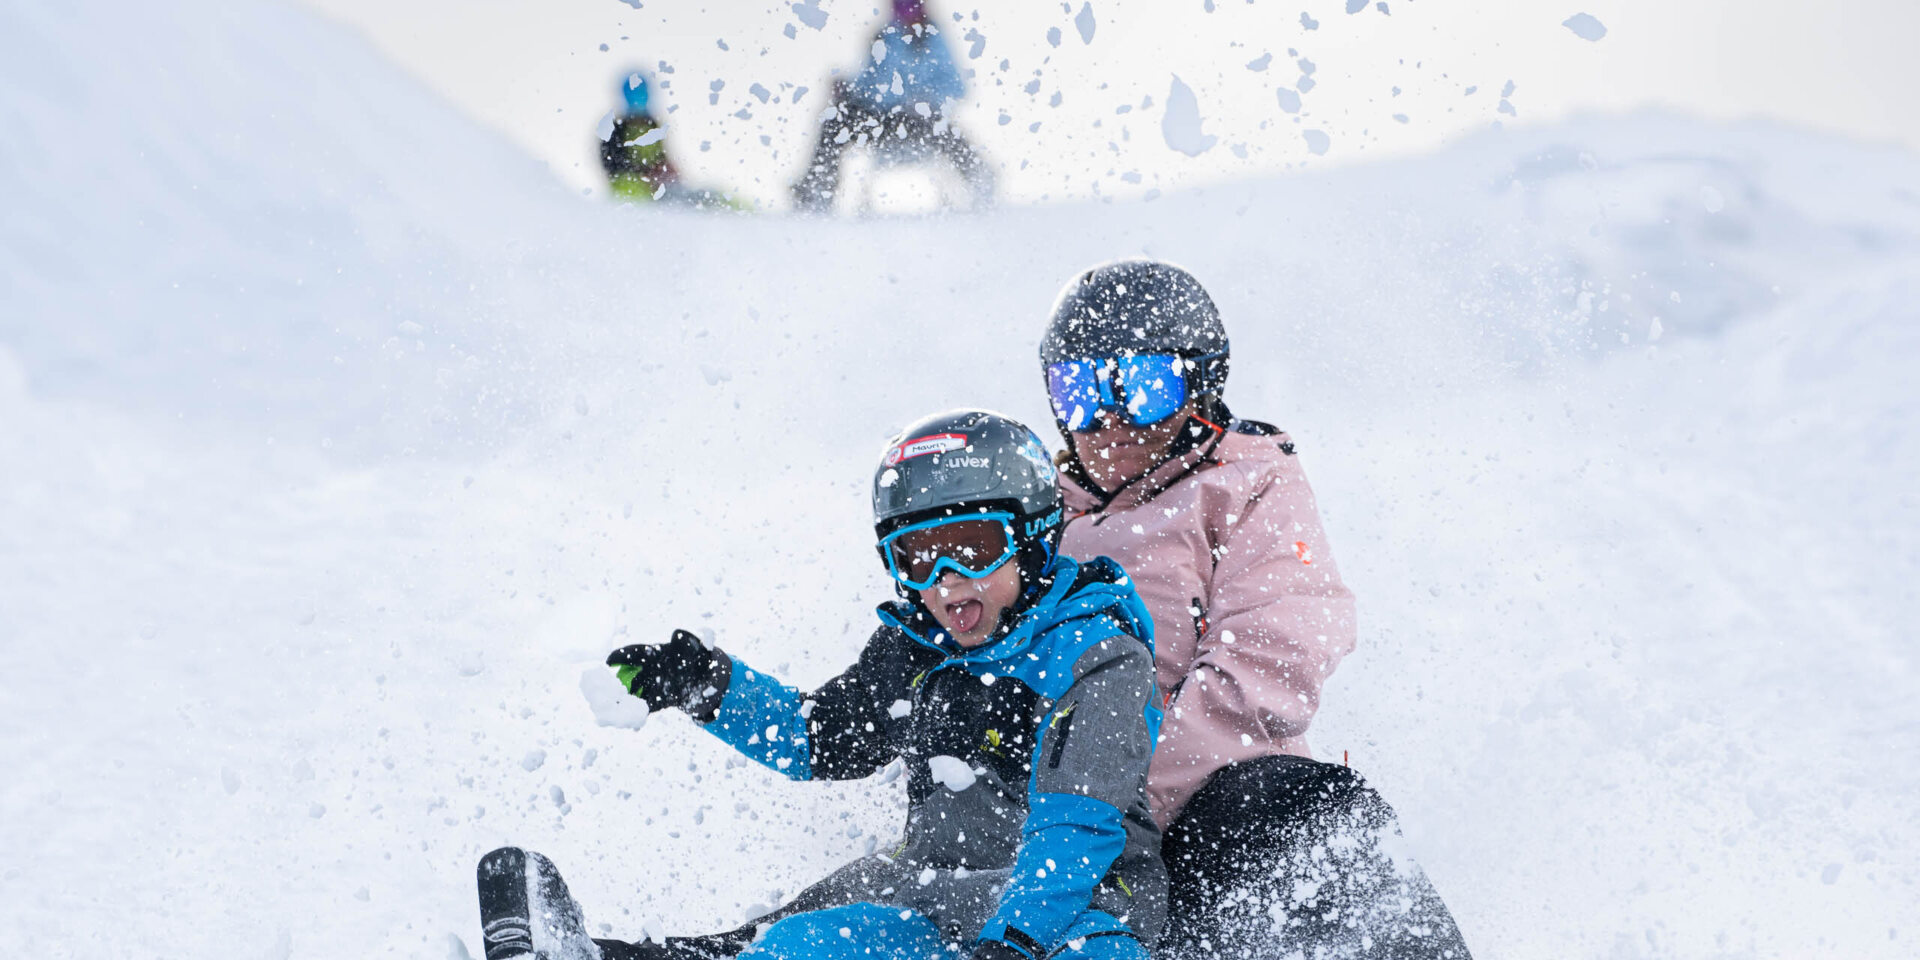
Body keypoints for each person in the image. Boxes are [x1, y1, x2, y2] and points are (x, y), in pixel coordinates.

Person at [476, 410, 1167, 960]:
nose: (945, 580)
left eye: (973, 547)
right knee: (796, 945)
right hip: (935, 895)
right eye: (916, 557)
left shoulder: (1096, 654)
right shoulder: (916, 646)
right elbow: (822, 739)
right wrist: (708, 687)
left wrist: (1011, 943)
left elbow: (1076, 827)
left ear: (1034, 534)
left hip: (1082, 909)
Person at [1039, 259, 1472, 959]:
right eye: (1080, 392)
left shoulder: (1247, 483)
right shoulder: (1034, 517)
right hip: (1062, 841)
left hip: (1201, 809)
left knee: (1301, 808)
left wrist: (1120, 801)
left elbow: (1272, 659)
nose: (1110, 418)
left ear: (1201, 386)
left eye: (1144, 388)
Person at [791, 0, 993, 212]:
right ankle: (816, 192)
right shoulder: (883, 37)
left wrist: (927, 100)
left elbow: (956, 87)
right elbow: (867, 83)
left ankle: (982, 190)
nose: (906, 13)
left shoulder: (936, 39)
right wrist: (847, 88)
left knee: (951, 136)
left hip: (922, 120)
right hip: (882, 119)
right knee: (834, 121)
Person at [601, 71, 740, 209]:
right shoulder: (614, 130)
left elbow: (661, 157)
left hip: (659, 187)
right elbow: (613, 165)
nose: (639, 100)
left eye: (642, 94)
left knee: (702, 194)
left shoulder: (652, 125)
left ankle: (737, 209)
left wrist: (668, 170)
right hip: (632, 192)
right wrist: (646, 175)